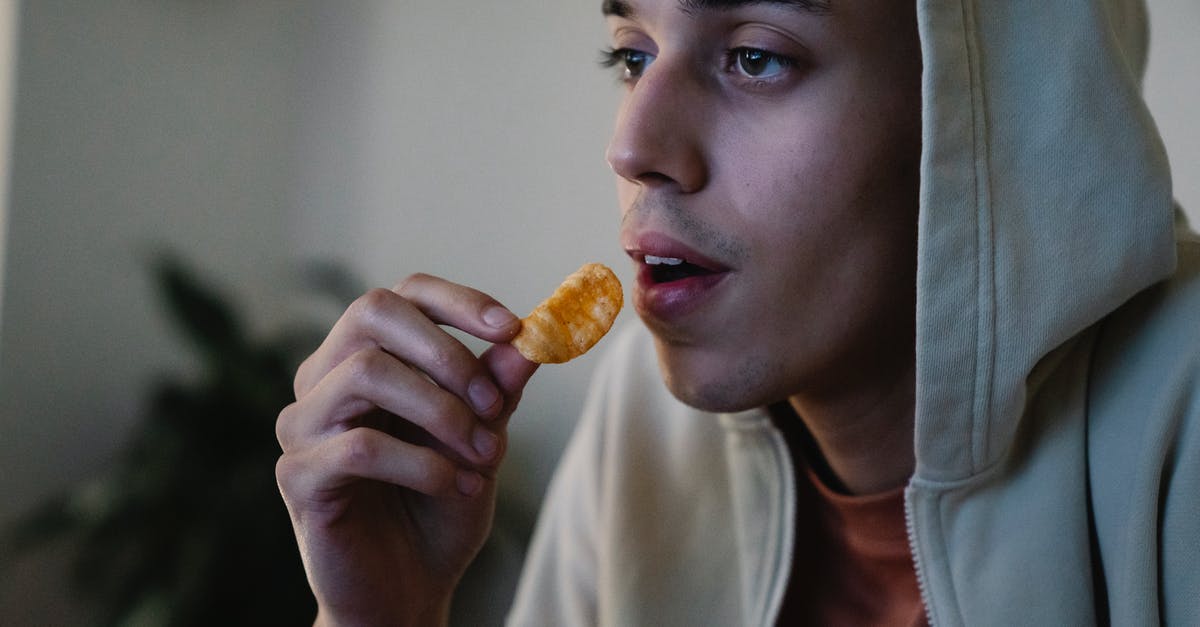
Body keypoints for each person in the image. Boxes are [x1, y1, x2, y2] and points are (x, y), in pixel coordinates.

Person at [275, 0, 1200, 624]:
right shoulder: (641, 414)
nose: (630, 144)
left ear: (994, 108)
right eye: (631, 54)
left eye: (757, 56)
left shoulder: (1183, 415)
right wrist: (377, 618)